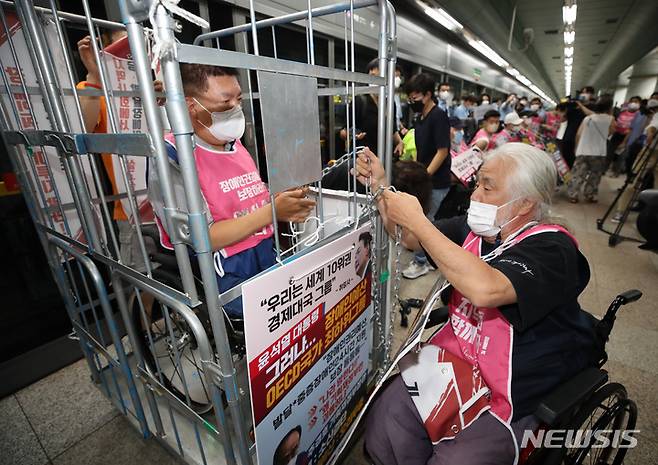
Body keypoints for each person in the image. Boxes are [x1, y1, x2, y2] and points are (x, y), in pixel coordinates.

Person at [353, 143, 595, 465]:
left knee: (459, 459)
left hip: (517, 383)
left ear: (524, 203)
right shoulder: (477, 231)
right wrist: (382, 187)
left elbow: (487, 290)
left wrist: (420, 221)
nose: (475, 195)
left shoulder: (554, 248)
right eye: (477, 183)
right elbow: (410, 237)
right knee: (386, 418)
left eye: (488, 187)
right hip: (458, 359)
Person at [147, 64, 315, 318]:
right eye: (225, 103)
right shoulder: (172, 156)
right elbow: (202, 237)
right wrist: (272, 211)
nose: (236, 110)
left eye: (239, 100)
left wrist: (280, 200)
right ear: (192, 107)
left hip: (264, 253)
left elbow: (245, 196)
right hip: (223, 270)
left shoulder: (234, 145)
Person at [77, 30, 156, 271]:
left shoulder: (155, 86)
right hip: (135, 210)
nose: (130, 54)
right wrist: (94, 75)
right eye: (122, 49)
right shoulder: (94, 88)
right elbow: (81, 128)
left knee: (178, 275)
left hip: (176, 201)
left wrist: (165, 96)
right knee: (144, 280)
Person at [402, 73, 451, 279]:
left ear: (428, 94)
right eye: (410, 98)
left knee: (423, 222)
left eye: (416, 98)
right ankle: (429, 258)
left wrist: (426, 175)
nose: (412, 102)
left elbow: (443, 151)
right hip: (425, 178)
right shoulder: (420, 117)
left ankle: (422, 262)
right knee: (423, 218)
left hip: (436, 180)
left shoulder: (438, 116)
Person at [339, 58, 403, 156]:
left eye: (378, 77)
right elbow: (343, 132)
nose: (374, 81)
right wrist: (352, 135)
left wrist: (399, 142)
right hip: (363, 160)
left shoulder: (390, 103)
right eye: (372, 76)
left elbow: (392, 130)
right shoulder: (360, 101)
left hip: (385, 158)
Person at [567, 95, 616, 203]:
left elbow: (578, 134)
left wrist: (576, 147)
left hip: (583, 150)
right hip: (599, 153)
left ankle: (573, 195)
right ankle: (589, 195)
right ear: (609, 107)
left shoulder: (588, 119)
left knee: (578, 174)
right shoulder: (611, 119)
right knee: (595, 175)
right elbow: (610, 133)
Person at [561, 88, 596, 168]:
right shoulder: (573, 106)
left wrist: (580, 105)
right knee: (565, 157)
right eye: (582, 92)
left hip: (581, 138)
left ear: (592, 95)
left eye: (586, 92)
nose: (583, 94)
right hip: (567, 136)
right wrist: (566, 107)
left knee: (576, 160)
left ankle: (574, 177)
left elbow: (593, 116)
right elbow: (563, 119)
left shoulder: (592, 106)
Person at [609, 96, 642, 176]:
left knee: (622, 156)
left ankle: (616, 172)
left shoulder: (639, 115)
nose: (634, 103)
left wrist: (625, 141)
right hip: (617, 134)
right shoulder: (623, 111)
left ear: (640, 104)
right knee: (610, 152)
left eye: (636, 102)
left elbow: (634, 128)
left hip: (627, 136)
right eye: (632, 101)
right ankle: (605, 168)